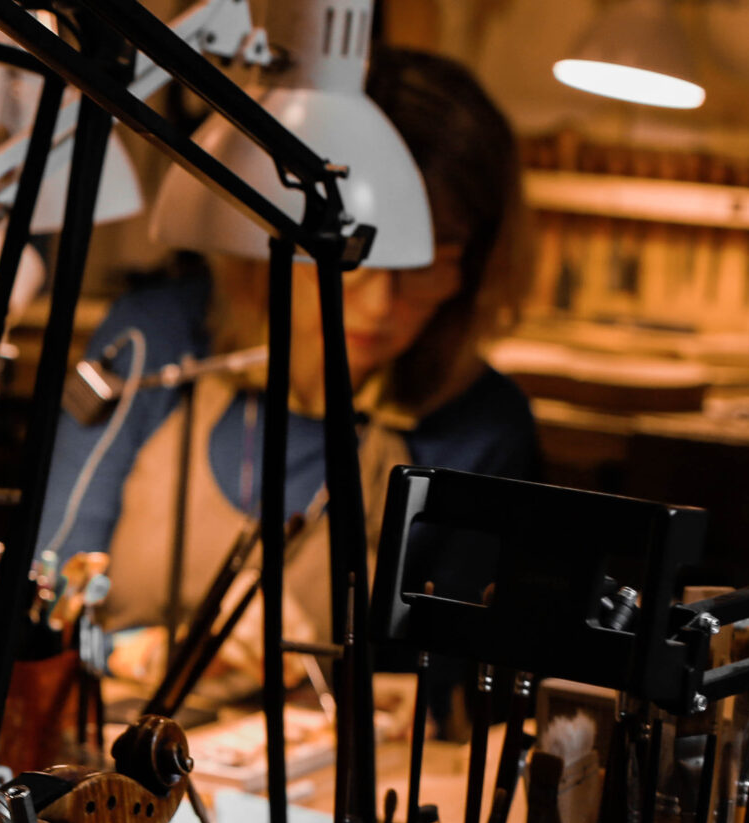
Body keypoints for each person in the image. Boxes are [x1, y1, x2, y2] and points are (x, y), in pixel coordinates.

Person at [38, 47, 537, 651]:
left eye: (424, 262)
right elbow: (47, 592)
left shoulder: (482, 430)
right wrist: (127, 654)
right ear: (273, 229)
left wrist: (328, 679)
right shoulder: (153, 343)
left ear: (476, 269)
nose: (379, 304)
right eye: (352, 259)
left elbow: (443, 683)